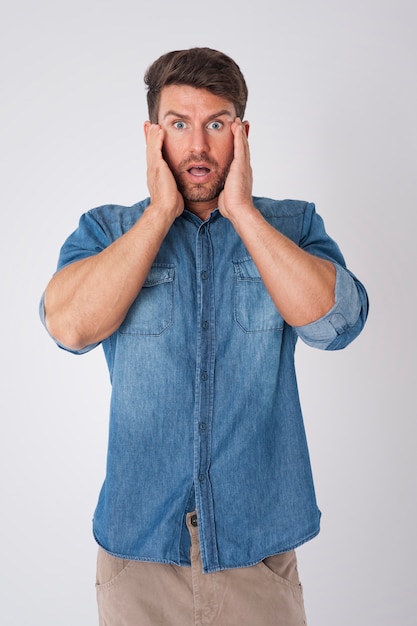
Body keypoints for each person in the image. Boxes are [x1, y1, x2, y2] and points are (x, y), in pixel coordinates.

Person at [40, 47, 368, 625]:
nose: (197, 145)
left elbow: (335, 324)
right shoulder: (107, 231)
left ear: (241, 133)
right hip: (138, 555)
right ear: (152, 135)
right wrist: (159, 214)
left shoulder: (293, 226)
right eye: (179, 124)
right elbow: (68, 327)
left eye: (216, 124)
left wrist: (242, 211)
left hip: (256, 553)